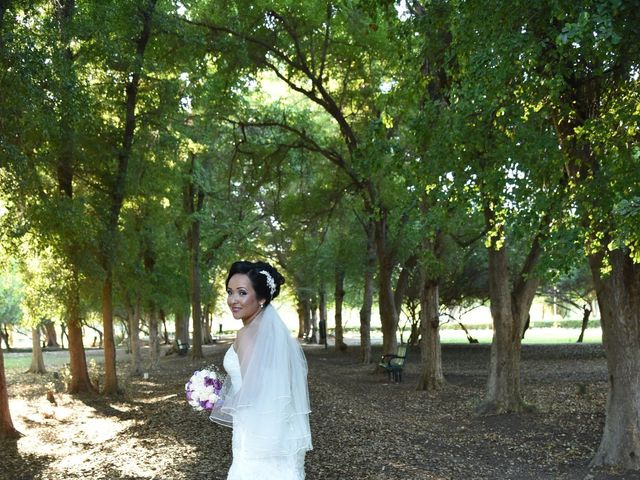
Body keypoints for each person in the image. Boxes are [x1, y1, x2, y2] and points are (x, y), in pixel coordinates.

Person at [210, 260, 312, 480]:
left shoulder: (246, 334)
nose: (233, 300)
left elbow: (251, 390)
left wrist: (213, 396)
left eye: (242, 293)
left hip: (253, 430)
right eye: (230, 292)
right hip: (277, 428)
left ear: (262, 298)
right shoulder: (276, 333)